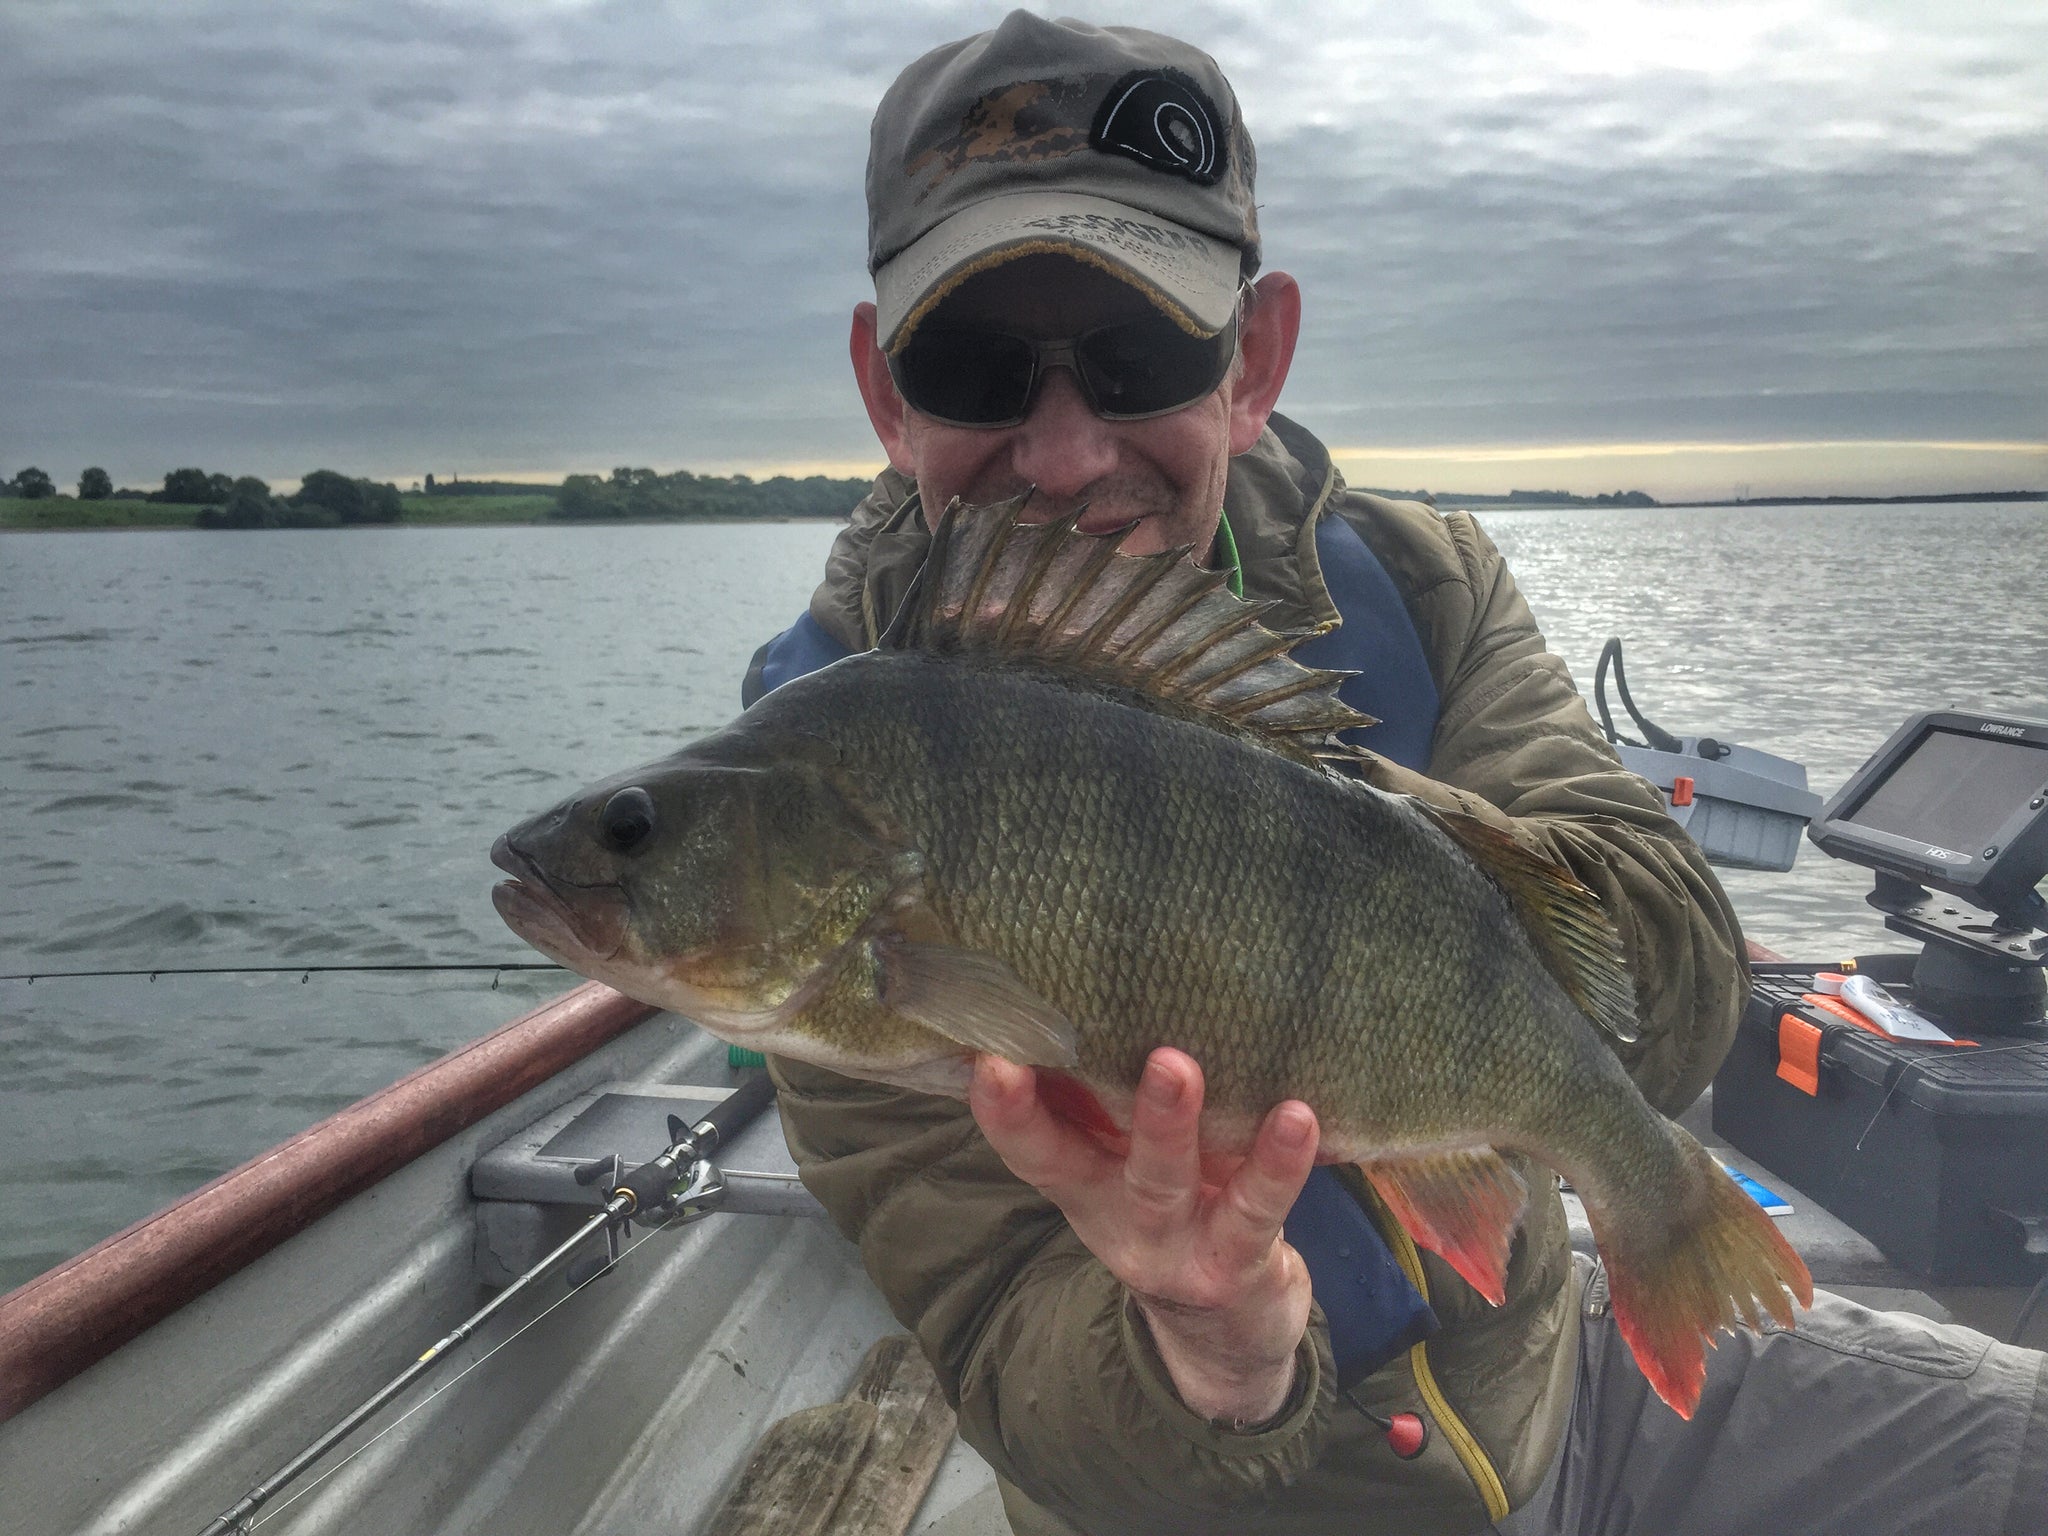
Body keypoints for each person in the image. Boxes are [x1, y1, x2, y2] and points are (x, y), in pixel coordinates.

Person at [743, 14, 2048, 1535]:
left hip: (1572, 1390)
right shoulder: (821, 789)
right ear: (883, 387)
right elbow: (1015, 1366)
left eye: (1138, 352)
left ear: (1254, 358)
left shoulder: (1421, 584)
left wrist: (1319, 835)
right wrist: (1212, 1346)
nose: (1062, 451)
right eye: (970, 365)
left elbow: (1679, 986)